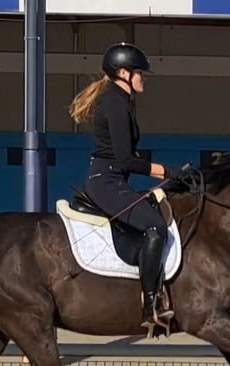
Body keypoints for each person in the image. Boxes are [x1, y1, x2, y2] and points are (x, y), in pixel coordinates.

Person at [68, 42, 185, 328]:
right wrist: (167, 171)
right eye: (139, 73)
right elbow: (125, 160)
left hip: (112, 179)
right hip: (107, 181)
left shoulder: (119, 99)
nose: (143, 77)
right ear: (123, 73)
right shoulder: (114, 103)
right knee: (155, 226)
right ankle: (150, 306)